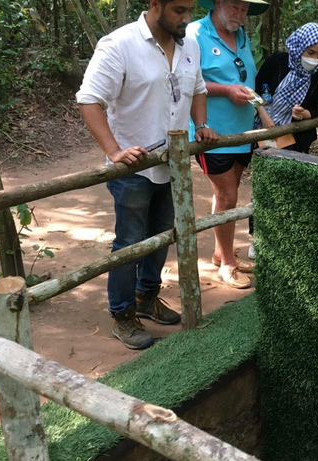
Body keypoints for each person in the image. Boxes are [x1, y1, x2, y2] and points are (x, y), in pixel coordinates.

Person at [77, 0, 217, 350]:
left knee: (162, 234)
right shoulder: (120, 44)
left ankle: (146, 297)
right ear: (155, 4)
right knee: (129, 241)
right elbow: (89, 100)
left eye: (190, 11)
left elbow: (197, 89)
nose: (187, 19)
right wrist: (114, 151)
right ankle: (123, 315)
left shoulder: (190, 44)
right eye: (179, 11)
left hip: (172, 164)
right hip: (133, 168)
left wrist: (201, 124)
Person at [187, 0, 269, 290]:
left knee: (225, 195)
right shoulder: (194, 34)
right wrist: (226, 90)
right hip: (212, 133)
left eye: (244, 10)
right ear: (218, 3)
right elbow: (188, 80)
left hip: (242, 132)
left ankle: (222, 252)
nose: (239, 14)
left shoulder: (242, 35)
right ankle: (228, 266)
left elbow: (244, 75)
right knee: (227, 194)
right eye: (234, 7)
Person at [254, 22, 318, 153]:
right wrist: (263, 115)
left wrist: (303, 114)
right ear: (299, 47)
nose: (314, 59)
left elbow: (315, 109)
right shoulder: (277, 61)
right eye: (310, 52)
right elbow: (255, 90)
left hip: (296, 138)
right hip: (263, 127)